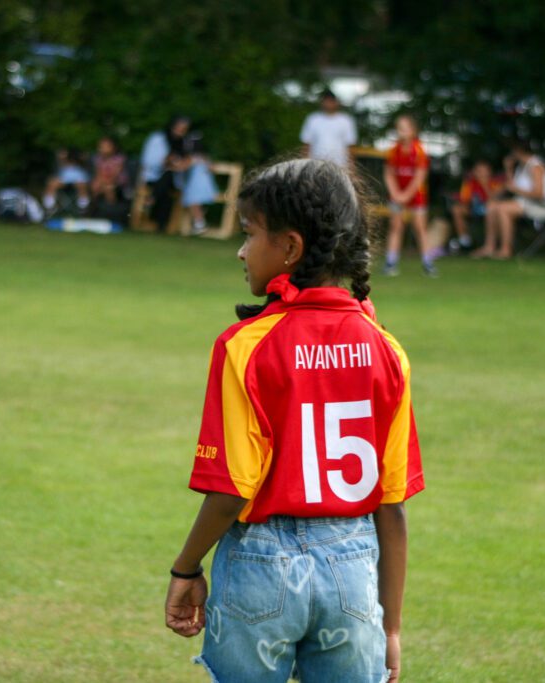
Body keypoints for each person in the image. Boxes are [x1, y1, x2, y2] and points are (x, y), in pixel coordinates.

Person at [165, 159, 424, 683]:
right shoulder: (386, 350)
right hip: (354, 570)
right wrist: (391, 628)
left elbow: (233, 489)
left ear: (289, 248)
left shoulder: (246, 346)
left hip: (260, 565)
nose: (241, 251)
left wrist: (185, 567)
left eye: (249, 234)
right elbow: (391, 504)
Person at [471, 138, 545, 260]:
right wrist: (508, 169)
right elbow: (511, 185)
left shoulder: (536, 166)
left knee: (503, 208)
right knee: (491, 206)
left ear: (518, 151)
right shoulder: (522, 167)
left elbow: (539, 194)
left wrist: (516, 190)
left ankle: (506, 249)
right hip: (525, 202)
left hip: (541, 206)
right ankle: (489, 247)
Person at [140, 116, 218, 233]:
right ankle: (196, 222)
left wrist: (178, 164)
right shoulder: (159, 139)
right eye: (179, 128)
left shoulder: (187, 143)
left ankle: (152, 201)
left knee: (173, 184)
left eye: (184, 129)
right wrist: (168, 162)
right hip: (158, 177)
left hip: (179, 181)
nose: (180, 131)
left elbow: (185, 164)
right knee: (168, 183)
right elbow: (150, 162)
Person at [383, 115, 435, 277]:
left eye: (405, 129)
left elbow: (420, 177)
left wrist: (405, 195)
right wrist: (395, 193)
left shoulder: (419, 151)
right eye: (399, 129)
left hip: (416, 195)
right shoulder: (394, 150)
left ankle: (428, 263)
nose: (401, 132)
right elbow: (389, 174)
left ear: (413, 131)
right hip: (397, 194)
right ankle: (390, 262)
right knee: (395, 226)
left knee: (420, 227)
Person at [448, 160, 498, 254]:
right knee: (456, 209)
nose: (481, 174)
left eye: (483, 171)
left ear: (489, 171)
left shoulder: (495, 183)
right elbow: (464, 200)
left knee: (491, 207)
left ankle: (489, 245)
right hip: (474, 210)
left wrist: (484, 184)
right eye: (478, 171)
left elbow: (493, 199)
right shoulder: (470, 183)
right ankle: (465, 242)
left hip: (491, 210)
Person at [300, 89, 357, 168]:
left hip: (339, 166)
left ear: (336, 102)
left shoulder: (346, 120)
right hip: (315, 165)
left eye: (331, 101)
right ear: (322, 102)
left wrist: (352, 167)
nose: (329, 104)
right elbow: (306, 145)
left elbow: (350, 146)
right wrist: (304, 165)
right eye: (326, 101)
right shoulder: (313, 119)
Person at [42, 148, 91, 214]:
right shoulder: (61, 163)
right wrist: (61, 158)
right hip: (64, 179)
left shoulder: (82, 163)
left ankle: (83, 207)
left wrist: (82, 158)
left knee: (81, 185)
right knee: (52, 183)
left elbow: (88, 164)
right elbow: (56, 170)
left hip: (79, 178)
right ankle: (49, 207)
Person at [89, 136, 127, 205]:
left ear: (114, 147)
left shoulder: (118, 158)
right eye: (102, 147)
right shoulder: (98, 159)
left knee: (109, 187)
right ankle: (94, 206)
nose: (104, 149)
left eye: (107, 146)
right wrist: (99, 181)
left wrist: (106, 181)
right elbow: (98, 172)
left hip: (117, 181)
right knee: (95, 186)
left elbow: (116, 173)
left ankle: (111, 206)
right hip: (103, 179)